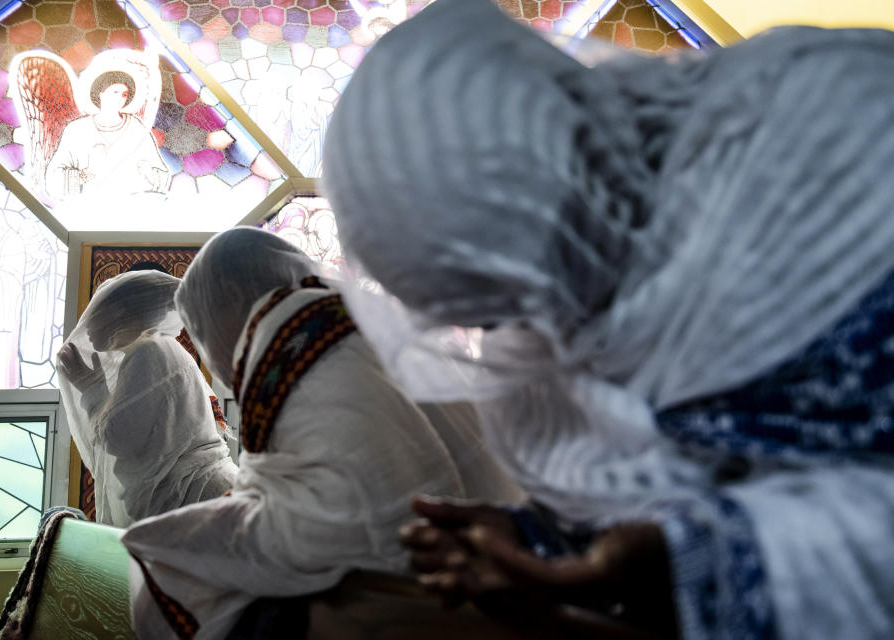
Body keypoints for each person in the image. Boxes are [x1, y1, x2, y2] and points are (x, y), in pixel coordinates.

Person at [321, 0, 894, 638]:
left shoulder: (859, 147)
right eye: (485, 317)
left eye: (516, 296)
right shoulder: (582, 299)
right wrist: (541, 542)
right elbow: (709, 486)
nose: (517, 338)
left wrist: (687, 569)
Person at [120, 227, 523, 639]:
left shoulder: (289, 332)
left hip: (425, 575)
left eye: (202, 329)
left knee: (167, 559)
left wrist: (213, 527)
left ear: (234, 297)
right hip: (501, 548)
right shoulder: (365, 314)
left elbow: (352, 517)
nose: (207, 352)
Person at [57, 270, 236, 527]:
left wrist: (91, 388)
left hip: (200, 503)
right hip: (201, 501)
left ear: (118, 312)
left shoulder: (149, 350)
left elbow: (118, 437)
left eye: (95, 311)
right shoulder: (156, 349)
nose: (87, 324)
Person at [46, 70, 170, 199]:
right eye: (115, 92)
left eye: (124, 94)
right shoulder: (77, 129)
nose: (120, 98)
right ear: (101, 93)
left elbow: (162, 175)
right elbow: (53, 179)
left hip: (130, 203)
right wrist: (86, 173)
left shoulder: (136, 128)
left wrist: (149, 173)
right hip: (88, 205)